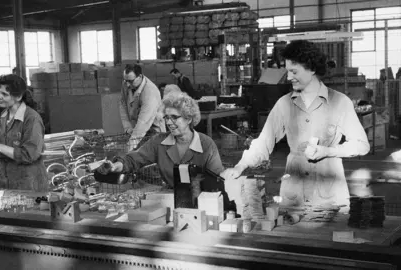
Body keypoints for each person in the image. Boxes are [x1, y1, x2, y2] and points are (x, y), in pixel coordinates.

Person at [221, 40, 370, 207]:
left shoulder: (340, 102)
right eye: (288, 72)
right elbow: (263, 142)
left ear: (312, 69)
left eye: (294, 71)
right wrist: (240, 166)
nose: (289, 77)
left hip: (329, 194)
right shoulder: (284, 104)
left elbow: (362, 145)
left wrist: (328, 151)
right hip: (294, 195)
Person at [106, 92, 224, 200]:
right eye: (166, 117)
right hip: (170, 198)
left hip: (203, 200)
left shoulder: (206, 144)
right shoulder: (159, 142)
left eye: (174, 117)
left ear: (188, 119)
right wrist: (118, 165)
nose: (168, 122)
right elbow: (135, 158)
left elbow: (217, 179)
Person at [0, 74, 48, 192]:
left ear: (18, 96)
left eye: (4, 94)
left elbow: (30, 155)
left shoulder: (31, 118)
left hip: (29, 185)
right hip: (7, 182)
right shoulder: (4, 115)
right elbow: (7, 149)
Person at [119, 64, 165, 151]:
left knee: (147, 156)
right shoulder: (127, 82)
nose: (128, 84)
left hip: (152, 131)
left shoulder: (150, 92)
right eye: (125, 80)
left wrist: (130, 147)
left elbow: (143, 122)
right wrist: (127, 126)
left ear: (139, 76)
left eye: (131, 81)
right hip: (136, 129)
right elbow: (122, 103)